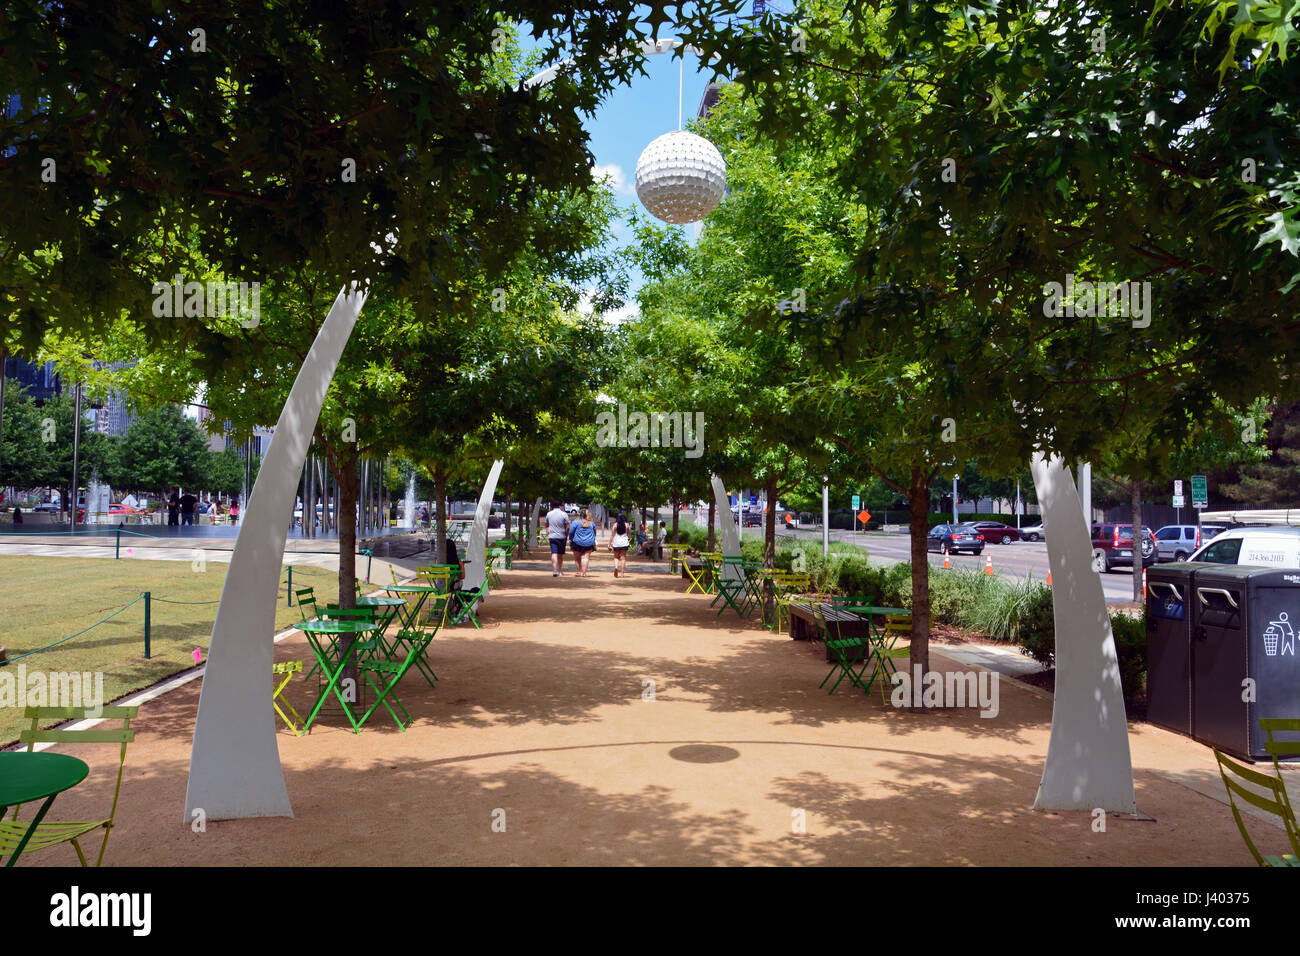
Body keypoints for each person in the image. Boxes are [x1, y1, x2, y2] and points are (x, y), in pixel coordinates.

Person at [568, 507, 597, 577]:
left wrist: (571, 540)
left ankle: (578, 572)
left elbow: (571, 532)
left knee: (577, 558)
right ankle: (584, 573)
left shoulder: (575, 522)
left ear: (580, 515)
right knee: (585, 558)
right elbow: (595, 532)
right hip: (589, 543)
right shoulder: (591, 523)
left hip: (577, 542)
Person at [545, 500, 570, 576]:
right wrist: (566, 534)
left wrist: (550, 529)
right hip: (562, 536)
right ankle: (560, 570)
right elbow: (568, 526)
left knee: (554, 553)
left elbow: (546, 524)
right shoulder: (564, 514)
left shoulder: (549, 514)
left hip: (552, 536)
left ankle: (554, 570)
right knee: (560, 554)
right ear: (560, 506)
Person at [608, 513, 630, 578]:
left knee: (616, 557)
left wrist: (609, 544)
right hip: (624, 543)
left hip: (616, 543)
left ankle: (616, 568)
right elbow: (629, 534)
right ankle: (622, 574)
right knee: (623, 558)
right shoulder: (627, 525)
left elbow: (612, 535)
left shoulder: (615, 525)